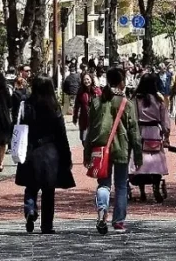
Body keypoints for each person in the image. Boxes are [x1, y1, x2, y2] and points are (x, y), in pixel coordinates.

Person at [84, 67, 142, 234]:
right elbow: (134, 132)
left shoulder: (97, 102)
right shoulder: (126, 103)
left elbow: (90, 131)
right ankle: (118, 221)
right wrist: (138, 155)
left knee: (103, 184)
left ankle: (102, 212)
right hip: (122, 148)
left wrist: (87, 152)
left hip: (101, 149)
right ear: (122, 82)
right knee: (122, 185)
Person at [14, 76, 75, 234]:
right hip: (50, 152)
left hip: (30, 149)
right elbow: (62, 134)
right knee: (48, 191)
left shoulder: (26, 105)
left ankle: (30, 209)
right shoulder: (53, 107)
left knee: (31, 185)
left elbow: (18, 126)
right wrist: (66, 156)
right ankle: (47, 225)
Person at [129, 73, 170, 203]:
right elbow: (165, 120)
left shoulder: (136, 99)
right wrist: (166, 133)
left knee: (140, 162)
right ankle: (156, 187)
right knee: (156, 161)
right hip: (155, 132)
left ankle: (142, 192)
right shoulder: (159, 99)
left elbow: (133, 118)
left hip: (140, 131)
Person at [72, 73, 100, 144]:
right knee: (83, 140)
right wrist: (75, 117)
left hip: (95, 120)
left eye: (88, 79)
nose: (86, 81)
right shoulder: (80, 91)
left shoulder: (97, 91)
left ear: (91, 80)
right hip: (84, 119)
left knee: (94, 141)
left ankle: (90, 154)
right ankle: (87, 153)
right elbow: (76, 105)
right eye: (84, 79)